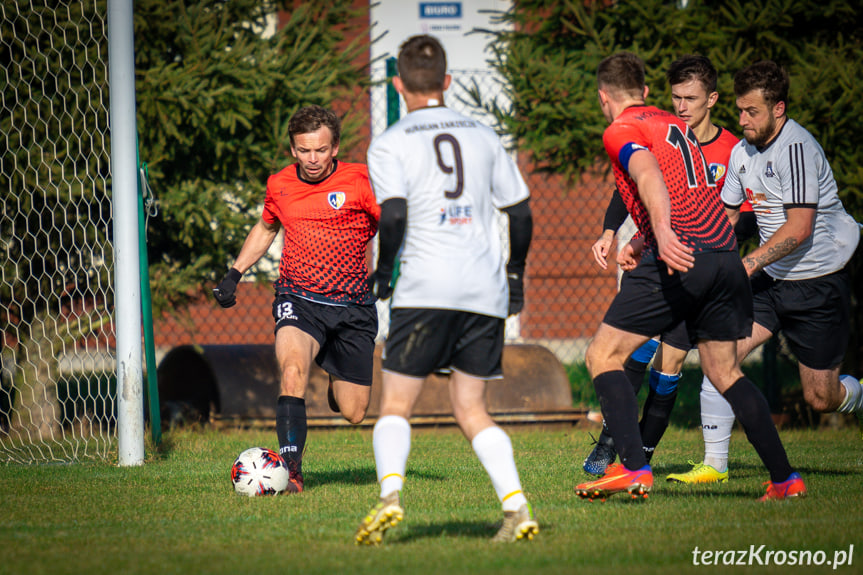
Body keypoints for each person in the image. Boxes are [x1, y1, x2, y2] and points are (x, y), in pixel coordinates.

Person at [574, 52, 804, 502]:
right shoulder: (673, 124)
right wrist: (643, 237)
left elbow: (647, 175)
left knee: (602, 356)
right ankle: (784, 479)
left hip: (682, 255)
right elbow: (689, 192)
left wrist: (659, 234)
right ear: (644, 91)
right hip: (724, 254)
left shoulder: (620, 129)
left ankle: (633, 468)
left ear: (604, 97)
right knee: (724, 370)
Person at [354, 34, 537, 544]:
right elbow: (519, 212)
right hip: (484, 288)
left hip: (425, 287)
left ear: (398, 84)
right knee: (472, 408)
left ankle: (390, 496)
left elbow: (393, 214)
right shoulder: (482, 135)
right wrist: (515, 273)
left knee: (395, 405)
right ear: (447, 82)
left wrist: (385, 269)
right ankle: (517, 507)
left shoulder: (390, 141)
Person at [670, 60, 863, 484]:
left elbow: (799, 228)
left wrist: (744, 264)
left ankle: (858, 393)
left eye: (752, 112)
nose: (742, 120)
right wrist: (699, 252)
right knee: (720, 355)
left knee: (821, 397)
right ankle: (714, 466)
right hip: (770, 280)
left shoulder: (797, 149)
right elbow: (729, 217)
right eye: (739, 110)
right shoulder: (742, 153)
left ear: (778, 109)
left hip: (818, 281)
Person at [584, 55, 753, 477]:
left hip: (699, 263)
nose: (681, 106)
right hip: (659, 255)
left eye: (690, 99)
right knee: (632, 351)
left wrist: (717, 236)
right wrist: (611, 232)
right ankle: (613, 446)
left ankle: (643, 452)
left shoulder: (733, 150)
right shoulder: (660, 130)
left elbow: (744, 212)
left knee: (670, 362)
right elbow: (634, 184)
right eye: (675, 97)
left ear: (711, 100)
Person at [213, 105, 380, 494]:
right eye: (304, 150)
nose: (313, 159)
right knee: (291, 372)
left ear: (335, 147)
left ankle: (334, 371)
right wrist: (234, 274)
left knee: (354, 411)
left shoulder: (362, 182)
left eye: (321, 150)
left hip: (353, 306)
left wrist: (392, 271)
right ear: (292, 149)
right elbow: (266, 226)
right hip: (298, 297)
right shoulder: (280, 185)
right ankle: (291, 472)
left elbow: (394, 222)